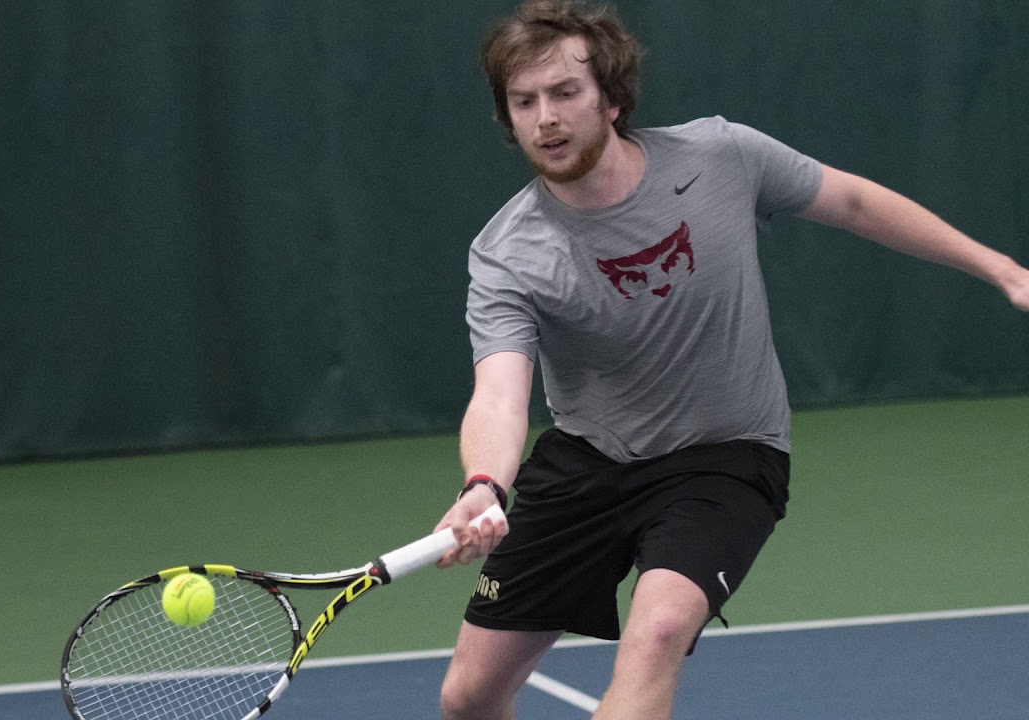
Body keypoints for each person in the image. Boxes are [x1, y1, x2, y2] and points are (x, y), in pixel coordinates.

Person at [430, 1, 1029, 719]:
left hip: (725, 458)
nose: (545, 117)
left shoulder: (721, 157)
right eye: (523, 102)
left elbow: (856, 202)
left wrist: (1003, 270)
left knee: (656, 631)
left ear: (612, 99)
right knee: (468, 698)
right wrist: (485, 485)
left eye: (564, 93)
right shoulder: (508, 253)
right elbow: (500, 394)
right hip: (590, 460)